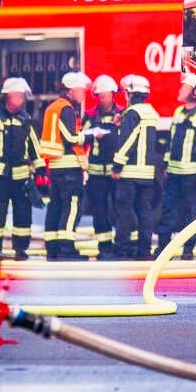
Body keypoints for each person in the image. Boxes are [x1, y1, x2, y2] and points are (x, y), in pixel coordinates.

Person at [0, 77, 45, 261]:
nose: (22, 99)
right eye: (20, 95)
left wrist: (41, 169)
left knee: (23, 213)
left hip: (21, 176)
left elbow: (34, 146)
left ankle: (21, 249)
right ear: (9, 96)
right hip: (0, 176)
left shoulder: (25, 119)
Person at [155, 74, 196, 260]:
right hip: (173, 172)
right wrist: (166, 164)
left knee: (192, 213)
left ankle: (188, 250)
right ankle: (163, 250)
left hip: (192, 174)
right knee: (168, 210)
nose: (180, 90)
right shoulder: (179, 112)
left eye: (184, 87)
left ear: (195, 92)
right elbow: (171, 142)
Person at [40, 72, 92, 261]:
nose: (84, 94)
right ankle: (66, 250)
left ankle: (53, 249)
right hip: (69, 168)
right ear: (71, 90)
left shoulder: (53, 107)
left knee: (56, 207)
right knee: (71, 207)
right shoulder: (66, 109)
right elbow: (70, 137)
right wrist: (90, 135)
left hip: (55, 167)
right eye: (82, 90)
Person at [110, 74, 159, 259]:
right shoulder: (150, 112)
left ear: (130, 93)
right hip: (147, 174)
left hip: (130, 173)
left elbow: (128, 141)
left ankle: (122, 249)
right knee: (145, 211)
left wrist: (117, 166)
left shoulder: (133, 113)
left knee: (124, 211)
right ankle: (143, 251)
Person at [82, 74, 121, 259]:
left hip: (116, 172)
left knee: (121, 208)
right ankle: (104, 247)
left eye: (107, 95)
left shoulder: (122, 114)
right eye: (101, 96)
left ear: (113, 95)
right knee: (100, 210)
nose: (104, 99)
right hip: (97, 173)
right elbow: (81, 137)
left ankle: (122, 245)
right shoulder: (90, 116)